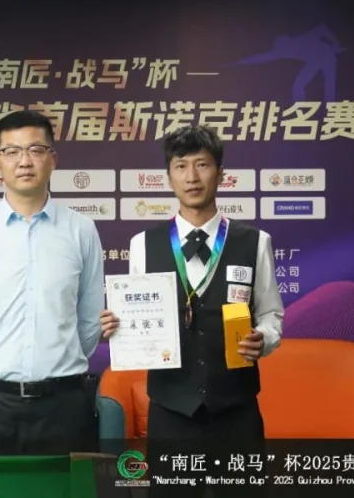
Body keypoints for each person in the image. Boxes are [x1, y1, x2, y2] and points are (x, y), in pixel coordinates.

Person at [100, 125, 284, 496]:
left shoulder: (254, 241)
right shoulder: (143, 244)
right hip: (171, 412)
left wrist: (263, 339)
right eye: (181, 166)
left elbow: (271, 315)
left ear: (221, 173)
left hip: (236, 411)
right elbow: (135, 314)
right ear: (168, 177)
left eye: (202, 165)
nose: (192, 176)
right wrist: (117, 325)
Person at [0, 110, 113, 456]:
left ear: (53, 160)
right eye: (12, 151)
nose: (25, 161)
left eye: (36, 150)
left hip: (65, 406)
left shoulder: (82, 231)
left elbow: (88, 326)